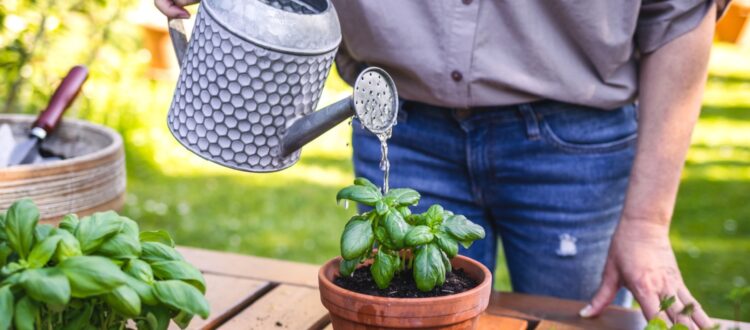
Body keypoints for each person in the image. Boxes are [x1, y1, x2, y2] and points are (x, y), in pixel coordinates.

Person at [156, 0, 728, 327]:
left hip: (573, 144)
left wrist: (648, 223)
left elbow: (681, 14)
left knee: (575, 321)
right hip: (401, 125)